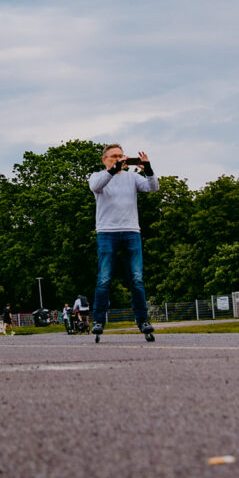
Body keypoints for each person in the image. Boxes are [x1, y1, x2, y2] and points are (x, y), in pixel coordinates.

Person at [89, 145, 157, 343]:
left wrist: (149, 169)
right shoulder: (97, 176)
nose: (118, 159)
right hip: (107, 232)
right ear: (105, 159)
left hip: (131, 231)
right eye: (113, 156)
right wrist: (113, 170)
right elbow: (96, 187)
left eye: (120, 156)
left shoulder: (132, 177)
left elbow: (152, 188)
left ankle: (143, 320)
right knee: (104, 278)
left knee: (136, 278)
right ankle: (99, 320)